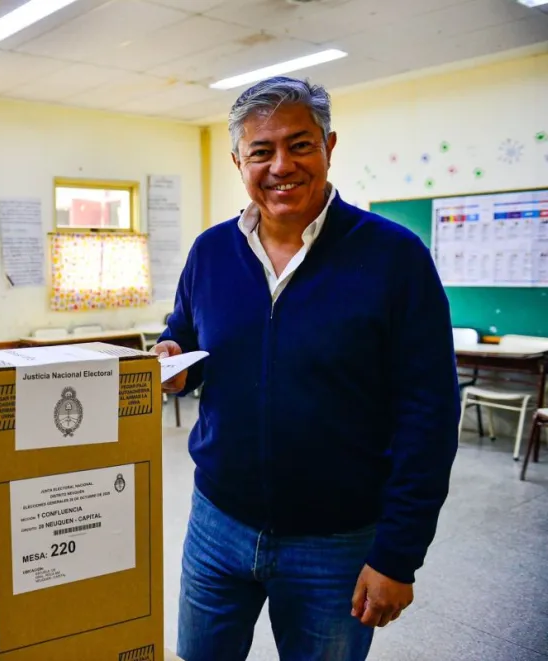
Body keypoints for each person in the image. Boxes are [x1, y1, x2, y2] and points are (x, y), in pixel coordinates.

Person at [154, 76, 460, 661]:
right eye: (261, 151)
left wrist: (398, 554)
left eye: (300, 145)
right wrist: (173, 358)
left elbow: (430, 416)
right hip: (216, 526)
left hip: (337, 543)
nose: (281, 166)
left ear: (329, 146)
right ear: (238, 160)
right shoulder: (211, 252)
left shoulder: (395, 259)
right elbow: (187, 336)